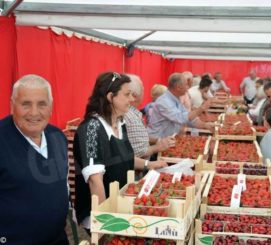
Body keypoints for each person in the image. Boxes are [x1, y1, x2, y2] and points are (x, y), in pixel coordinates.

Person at [73, 72, 167, 232]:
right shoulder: (91, 129)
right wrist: (104, 224)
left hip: (121, 208)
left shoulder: (120, 122)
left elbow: (125, 157)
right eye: (127, 94)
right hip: (103, 214)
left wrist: (148, 164)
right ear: (111, 97)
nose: (132, 99)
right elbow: (95, 182)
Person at [0, 75, 69, 244]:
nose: (34, 112)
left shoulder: (58, 136)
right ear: (12, 106)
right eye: (26, 104)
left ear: (51, 107)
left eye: (42, 104)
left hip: (57, 239)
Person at [124, 74, 175, 159]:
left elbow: (140, 136)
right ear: (135, 95)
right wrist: (157, 147)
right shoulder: (130, 116)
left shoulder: (135, 112)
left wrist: (157, 140)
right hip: (139, 168)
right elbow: (139, 152)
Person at [147, 73, 211, 138]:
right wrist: (201, 108)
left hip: (167, 140)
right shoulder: (164, 102)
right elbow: (181, 118)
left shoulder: (176, 99)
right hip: (157, 141)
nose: (188, 87)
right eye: (186, 85)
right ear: (178, 87)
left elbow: (189, 119)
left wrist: (206, 125)